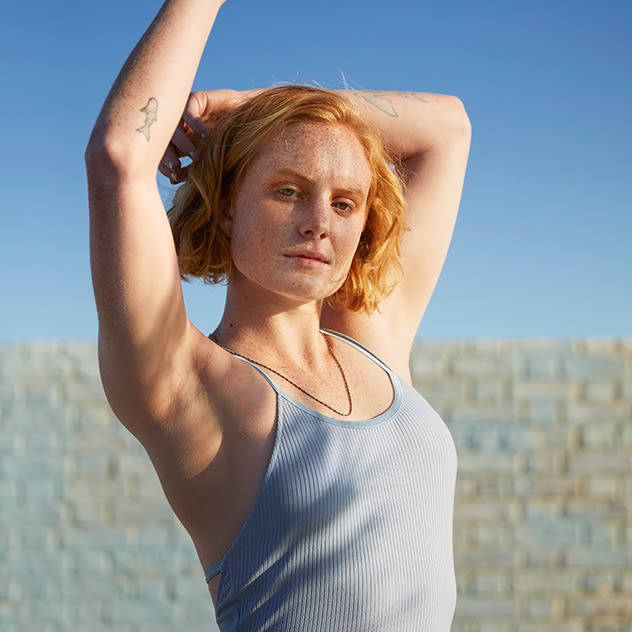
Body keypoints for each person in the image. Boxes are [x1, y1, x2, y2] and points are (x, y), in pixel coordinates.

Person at [85, 1, 471, 630]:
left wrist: (257, 103)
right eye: (287, 190)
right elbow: (117, 159)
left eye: (345, 203)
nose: (319, 222)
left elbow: (448, 127)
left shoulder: (372, 334)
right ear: (230, 209)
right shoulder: (189, 387)